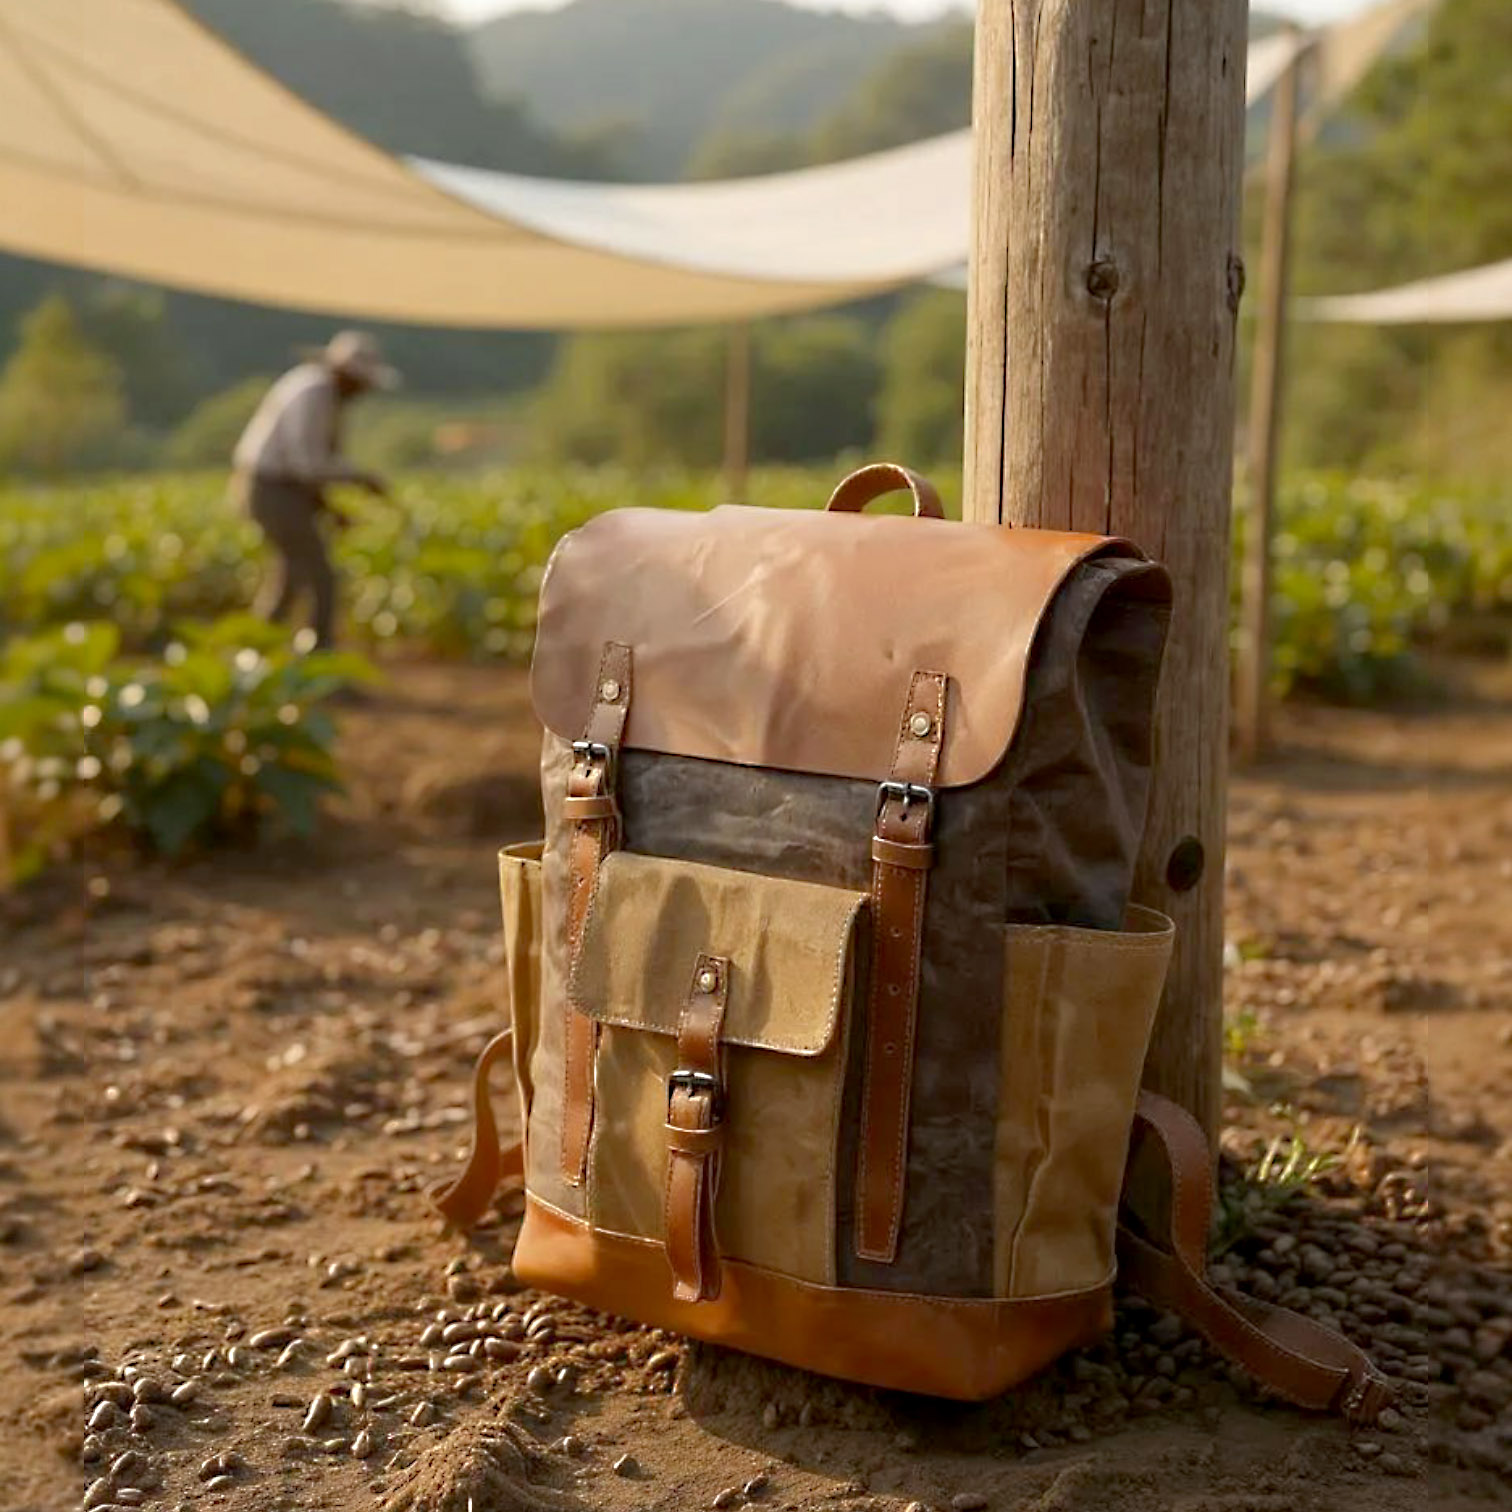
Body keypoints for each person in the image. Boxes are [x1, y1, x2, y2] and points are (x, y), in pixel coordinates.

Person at [232, 330, 398, 649]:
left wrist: (328, 508)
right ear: (347, 376)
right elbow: (306, 465)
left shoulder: (316, 389)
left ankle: (255, 656)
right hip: (272, 487)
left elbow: (305, 471)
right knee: (320, 577)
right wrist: (361, 479)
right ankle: (317, 658)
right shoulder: (315, 393)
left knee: (292, 575)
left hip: (279, 487)